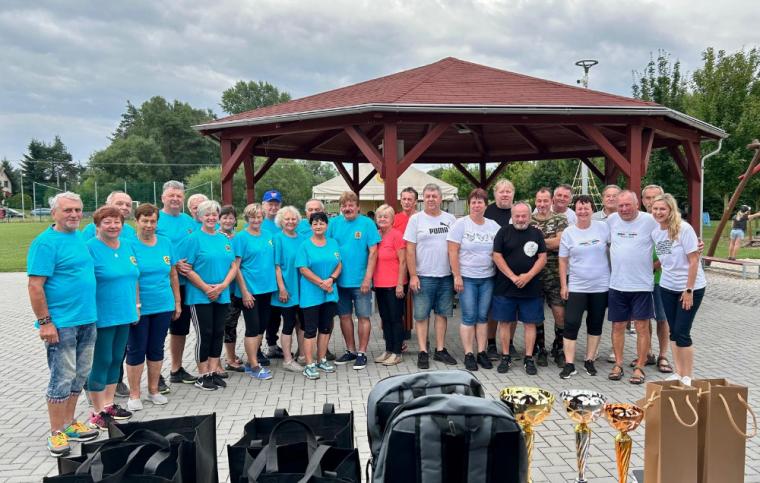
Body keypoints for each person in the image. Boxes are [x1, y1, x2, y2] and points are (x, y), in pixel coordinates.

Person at [27, 192, 99, 457]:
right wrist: (45, 323)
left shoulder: (79, 238)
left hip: (87, 319)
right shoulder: (45, 243)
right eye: (68, 210)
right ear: (54, 213)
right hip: (62, 324)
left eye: (78, 210)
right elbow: (35, 286)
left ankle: (69, 424)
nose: (74, 214)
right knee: (62, 378)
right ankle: (56, 432)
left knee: (80, 375)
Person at [85, 205, 139, 429]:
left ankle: (108, 405)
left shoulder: (127, 245)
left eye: (117, 222)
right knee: (102, 360)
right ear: (97, 225)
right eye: (107, 222)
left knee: (116, 359)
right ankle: (96, 411)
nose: (113, 226)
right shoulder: (90, 247)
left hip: (124, 312)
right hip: (102, 314)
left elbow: (134, 276)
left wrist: (136, 305)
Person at [126, 204, 181, 411]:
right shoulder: (128, 244)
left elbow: (173, 274)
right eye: (145, 221)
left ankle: (154, 390)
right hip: (139, 307)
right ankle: (134, 394)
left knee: (156, 348)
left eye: (153, 221)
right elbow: (131, 277)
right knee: (136, 349)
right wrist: (136, 305)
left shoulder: (165, 243)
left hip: (163, 305)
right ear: (136, 221)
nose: (149, 225)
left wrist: (177, 302)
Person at [179, 200, 238, 390]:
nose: (211, 218)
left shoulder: (224, 239)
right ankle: (203, 374)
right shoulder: (193, 239)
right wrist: (206, 288)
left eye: (214, 214)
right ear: (200, 217)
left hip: (222, 293)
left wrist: (223, 286)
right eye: (207, 214)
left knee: (218, 333)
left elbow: (233, 266)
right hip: (200, 295)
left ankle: (213, 371)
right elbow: (187, 268)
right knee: (205, 334)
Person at [651, 194, 707, 386]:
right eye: (655, 209)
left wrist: (689, 290)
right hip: (667, 287)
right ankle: (678, 372)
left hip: (690, 288)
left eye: (662, 209)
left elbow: (694, 260)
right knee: (673, 332)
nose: (658, 212)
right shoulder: (656, 232)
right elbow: (665, 258)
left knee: (682, 332)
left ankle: (688, 376)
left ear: (671, 210)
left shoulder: (684, 229)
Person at [404, 183, 458, 369]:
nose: (431, 199)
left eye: (434, 196)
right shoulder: (416, 220)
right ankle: (422, 351)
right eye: (427, 196)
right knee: (421, 316)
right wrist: (413, 275)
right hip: (423, 276)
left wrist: (456, 274)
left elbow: (456, 248)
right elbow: (409, 250)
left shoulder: (450, 219)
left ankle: (440, 350)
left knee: (442, 314)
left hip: (445, 275)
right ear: (423, 199)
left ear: (440, 198)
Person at [606, 190, 657, 384]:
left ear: (637, 204)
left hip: (641, 285)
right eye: (621, 206)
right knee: (618, 326)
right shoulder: (611, 220)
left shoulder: (650, 220)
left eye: (628, 205)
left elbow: (668, 241)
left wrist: (655, 265)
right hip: (617, 284)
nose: (624, 209)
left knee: (642, 327)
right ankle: (618, 364)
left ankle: (640, 367)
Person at [491, 202, 547, 375]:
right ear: (512, 216)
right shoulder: (503, 232)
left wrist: (528, 276)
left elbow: (542, 258)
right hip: (505, 287)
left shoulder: (536, 233)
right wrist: (513, 277)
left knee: (530, 323)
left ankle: (528, 358)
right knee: (504, 322)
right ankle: (505, 356)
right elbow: (497, 256)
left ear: (529, 216)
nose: (520, 219)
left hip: (531, 288)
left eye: (524, 216)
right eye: (517, 216)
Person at [447, 188, 500, 371]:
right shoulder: (460, 224)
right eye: (474, 202)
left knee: (483, 316)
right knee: (469, 316)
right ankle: (469, 353)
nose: (477, 205)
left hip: (487, 278)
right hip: (467, 278)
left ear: (486, 205)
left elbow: (501, 248)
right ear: (469, 204)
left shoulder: (493, 226)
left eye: (480, 202)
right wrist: (457, 275)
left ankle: (482, 352)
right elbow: (452, 251)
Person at [558, 195, 610, 379]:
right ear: (575, 210)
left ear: (592, 209)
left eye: (586, 208)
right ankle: (569, 364)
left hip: (600, 286)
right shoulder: (569, 232)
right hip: (577, 286)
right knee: (571, 323)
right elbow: (563, 260)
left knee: (595, 323)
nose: (583, 211)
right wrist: (564, 285)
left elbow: (616, 247)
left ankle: (589, 360)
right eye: (579, 208)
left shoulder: (603, 228)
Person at [328, 191, 380, 370]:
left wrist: (368, 278)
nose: (347, 208)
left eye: (351, 205)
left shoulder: (367, 223)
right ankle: (350, 350)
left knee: (363, 317)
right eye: (344, 205)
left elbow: (373, 252)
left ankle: (362, 353)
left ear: (358, 207)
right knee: (344, 317)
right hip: (339, 280)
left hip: (360, 281)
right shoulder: (334, 223)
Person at [156, 181, 199, 386]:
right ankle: (155, 374)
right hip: (162, 285)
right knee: (158, 332)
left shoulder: (188, 221)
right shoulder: (155, 220)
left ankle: (176, 368)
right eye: (171, 195)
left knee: (180, 329)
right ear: (163, 198)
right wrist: (174, 264)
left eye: (179, 196)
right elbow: (147, 248)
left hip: (185, 284)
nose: (175, 199)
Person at [233, 203, 277, 380]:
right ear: (247, 218)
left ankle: (254, 358)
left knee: (261, 327)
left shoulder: (268, 235)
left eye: (259, 216)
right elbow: (236, 267)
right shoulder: (241, 238)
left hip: (267, 289)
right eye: (252, 217)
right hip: (250, 290)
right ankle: (253, 365)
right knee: (252, 328)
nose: (256, 220)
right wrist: (244, 292)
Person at [295, 212, 342, 380]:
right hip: (311, 295)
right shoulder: (305, 245)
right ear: (311, 226)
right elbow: (303, 269)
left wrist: (331, 279)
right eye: (315, 223)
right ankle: (309, 364)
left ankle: (321, 359)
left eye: (322, 223)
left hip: (329, 293)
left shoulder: (333, 243)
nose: (318, 226)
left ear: (327, 225)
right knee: (310, 330)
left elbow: (339, 264)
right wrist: (322, 283)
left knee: (325, 328)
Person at [530, 187, 569, 367]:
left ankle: (559, 349)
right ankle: (541, 350)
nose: (542, 204)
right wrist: (549, 242)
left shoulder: (560, 219)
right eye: (539, 201)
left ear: (551, 201)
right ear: (535, 201)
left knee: (560, 314)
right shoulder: (528, 219)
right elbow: (524, 243)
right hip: (534, 276)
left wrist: (536, 242)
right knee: (537, 315)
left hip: (555, 275)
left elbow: (560, 242)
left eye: (546, 200)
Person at [641, 185, 674, 373]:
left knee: (662, 318)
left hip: (661, 279)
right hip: (641, 279)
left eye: (655, 197)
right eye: (647, 198)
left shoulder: (668, 223)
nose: (651, 201)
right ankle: (647, 353)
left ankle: (663, 355)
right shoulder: (640, 220)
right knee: (644, 318)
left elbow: (666, 254)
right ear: (643, 200)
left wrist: (651, 267)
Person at [273, 206, 308, 372]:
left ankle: (302, 355)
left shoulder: (302, 238)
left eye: (293, 219)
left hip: (303, 288)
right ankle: (287, 360)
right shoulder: (278, 239)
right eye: (287, 219)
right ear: (281, 221)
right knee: (288, 323)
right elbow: (277, 266)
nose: (290, 222)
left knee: (302, 323)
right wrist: (282, 288)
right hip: (287, 288)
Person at [484, 179, 515, 360]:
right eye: (501, 191)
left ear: (513, 194)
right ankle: (491, 343)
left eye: (508, 191)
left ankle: (509, 343)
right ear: (495, 194)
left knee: (513, 308)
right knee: (492, 308)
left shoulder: (518, 211)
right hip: (492, 268)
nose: (505, 194)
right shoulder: (487, 212)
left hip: (514, 268)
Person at [373, 204, 407, 366]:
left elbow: (403, 261)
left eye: (386, 216)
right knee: (385, 318)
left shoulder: (397, 235)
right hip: (380, 284)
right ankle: (388, 350)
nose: (382, 219)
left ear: (392, 219)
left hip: (395, 285)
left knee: (395, 318)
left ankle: (397, 352)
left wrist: (400, 284)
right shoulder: (376, 235)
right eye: (379, 216)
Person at [219, 205, 246, 372]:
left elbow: (237, 265)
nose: (228, 221)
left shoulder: (238, 238)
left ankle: (231, 356)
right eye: (225, 217)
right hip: (220, 288)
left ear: (235, 220)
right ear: (219, 219)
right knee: (222, 326)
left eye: (231, 218)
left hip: (234, 289)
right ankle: (223, 360)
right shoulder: (215, 237)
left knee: (231, 324)